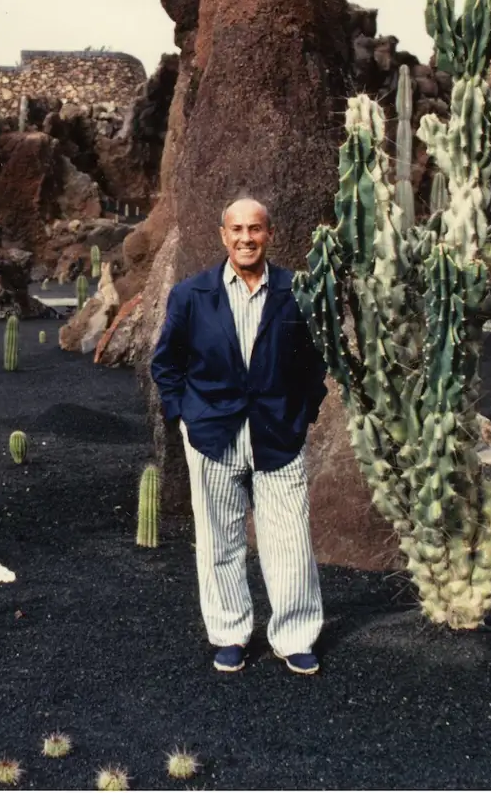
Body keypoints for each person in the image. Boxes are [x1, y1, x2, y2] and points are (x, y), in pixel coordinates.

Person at [150, 196, 329, 675]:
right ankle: (229, 634)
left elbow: (316, 362)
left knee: (289, 540)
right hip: (213, 435)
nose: (246, 238)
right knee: (218, 540)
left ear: (269, 234)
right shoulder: (192, 295)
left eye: (255, 229)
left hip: (278, 434)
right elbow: (166, 364)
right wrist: (184, 416)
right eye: (237, 230)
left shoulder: (298, 291)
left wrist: (303, 413)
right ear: (223, 235)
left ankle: (294, 636)